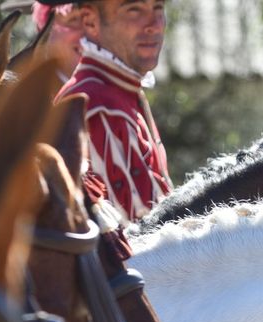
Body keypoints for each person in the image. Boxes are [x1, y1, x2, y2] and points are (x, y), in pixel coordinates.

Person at [55, 0, 172, 221]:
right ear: (90, 21)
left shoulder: (119, 91)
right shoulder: (95, 105)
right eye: (134, 10)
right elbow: (136, 239)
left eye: (158, 8)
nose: (155, 25)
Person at [31, 2, 89, 77]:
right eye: (74, 19)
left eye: (91, 20)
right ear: (48, 30)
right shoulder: (32, 86)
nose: (89, 32)